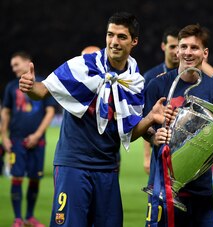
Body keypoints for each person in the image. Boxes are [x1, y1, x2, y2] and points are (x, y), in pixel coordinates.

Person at [19, 12, 170, 227]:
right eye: (110, 35)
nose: (114, 42)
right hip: (74, 165)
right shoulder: (83, 66)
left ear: (134, 41)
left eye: (121, 36)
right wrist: (31, 87)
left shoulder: (134, 81)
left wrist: (150, 118)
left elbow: (128, 132)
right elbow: (42, 91)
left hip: (108, 169)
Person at [144, 24, 213, 227]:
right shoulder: (158, 85)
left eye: (194, 47)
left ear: (204, 53)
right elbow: (143, 128)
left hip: (201, 190)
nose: (187, 52)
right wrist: (153, 136)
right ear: (176, 49)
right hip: (162, 187)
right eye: (183, 47)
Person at [1, 51, 56, 227]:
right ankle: (18, 218)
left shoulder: (43, 84)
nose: (14, 68)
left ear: (27, 63)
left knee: (34, 178)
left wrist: (37, 134)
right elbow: (6, 112)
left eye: (16, 64)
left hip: (37, 141)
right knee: (17, 177)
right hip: (16, 141)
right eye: (12, 66)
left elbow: (50, 112)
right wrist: (4, 137)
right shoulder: (11, 87)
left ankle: (29, 217)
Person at [143, 26, 180, 175]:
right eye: (172, 46)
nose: (176, 51)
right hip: (160, 147)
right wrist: (146, 156)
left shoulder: (190, 76)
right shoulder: (151, 77)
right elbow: (145, 119)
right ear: (163, 46)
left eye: (180, 46)